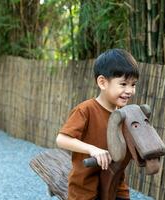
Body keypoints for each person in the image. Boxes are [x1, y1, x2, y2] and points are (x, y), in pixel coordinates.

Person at [56, 48, 139, 200]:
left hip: (115, 185)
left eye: (133, 85)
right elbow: (61, 139)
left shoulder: (125, 114)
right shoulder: (85, 110)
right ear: (102, 82)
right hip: (85, 187)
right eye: (123, 84)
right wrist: (92, 149)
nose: (130, 91)